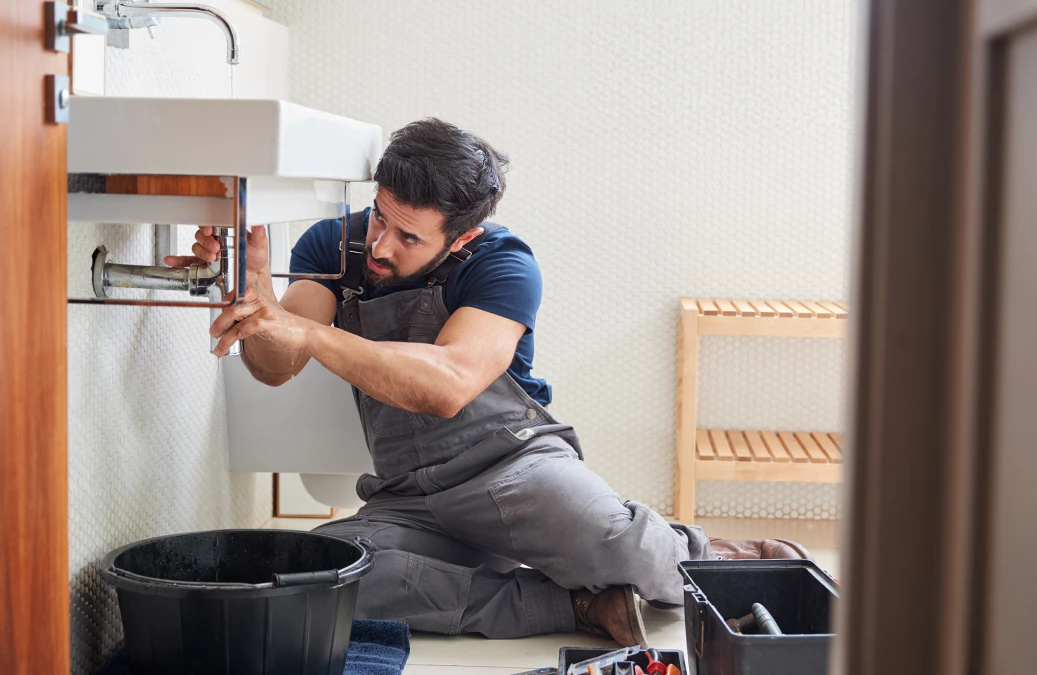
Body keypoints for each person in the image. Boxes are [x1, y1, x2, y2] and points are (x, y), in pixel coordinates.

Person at [168, 118, 808, 646]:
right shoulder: (333, 246)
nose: (381, 245)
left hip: (514, 469)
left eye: (409, 236)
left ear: (462, 235)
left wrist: (308, 332)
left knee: (633, 557)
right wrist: (260, 313)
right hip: (407, 495)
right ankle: (578, 609)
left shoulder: (503, 263)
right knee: (317, 580)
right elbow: (276, 368)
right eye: (378, 218)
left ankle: (711, 553)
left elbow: (447, 386)